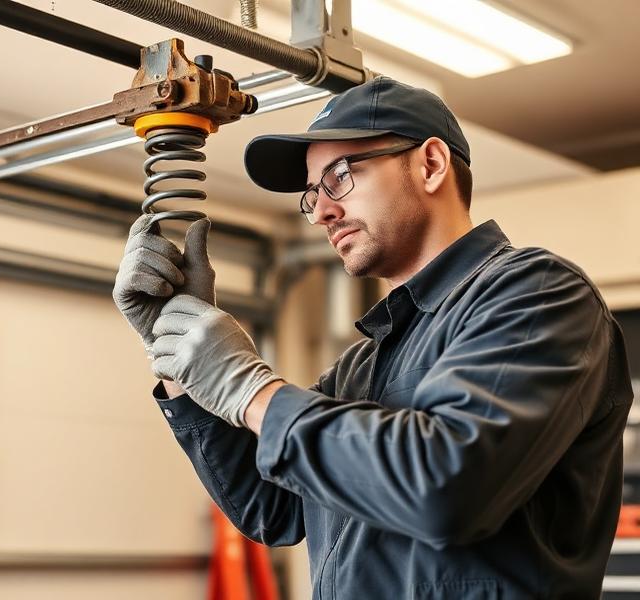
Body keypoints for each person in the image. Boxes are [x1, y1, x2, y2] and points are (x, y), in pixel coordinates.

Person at [113, 76, 633, 599]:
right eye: (311, 195)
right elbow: (273, 509)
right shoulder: (362, 364)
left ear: (431, 164)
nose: (320, 213)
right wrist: (176, 351)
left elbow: (447, 488)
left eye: (339, 177)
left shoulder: (537, 293)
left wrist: (248, 390)